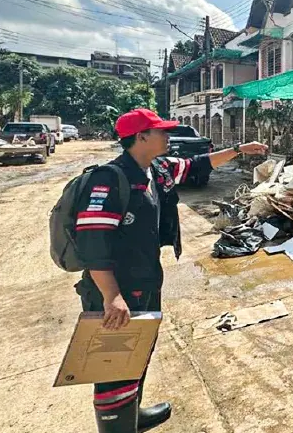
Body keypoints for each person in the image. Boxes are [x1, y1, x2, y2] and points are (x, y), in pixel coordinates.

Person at [73, 109, 267, 432]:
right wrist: (111, 296)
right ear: (140, 138)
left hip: (147, 279)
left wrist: (239, 149)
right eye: (160, 131)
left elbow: (198, 164)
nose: (167, 136)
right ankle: (117, 427)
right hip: (118, 287)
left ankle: (133, 415)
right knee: (113, 364)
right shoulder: (109, 179)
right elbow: (93, 242)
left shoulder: (158, 169)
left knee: (139, 351)